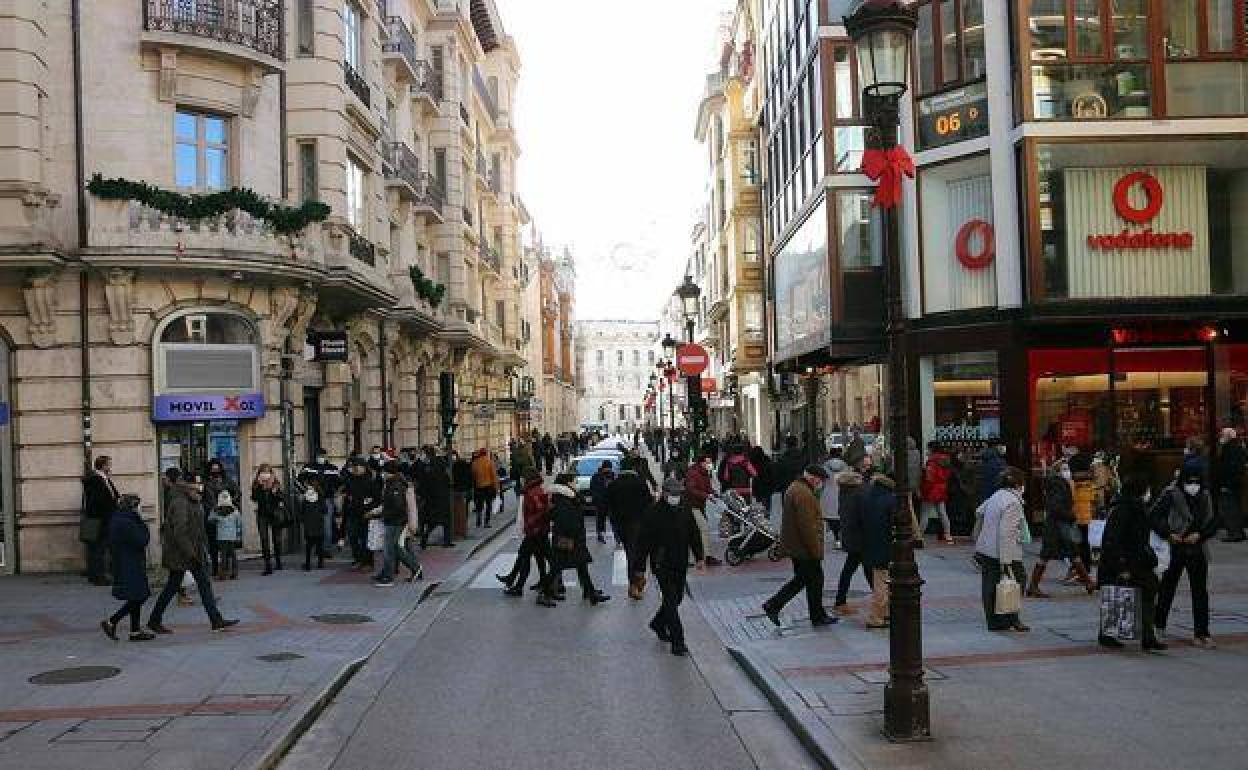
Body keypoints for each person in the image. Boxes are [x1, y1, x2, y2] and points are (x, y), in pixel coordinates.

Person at [147, 473, 238, 634]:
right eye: (196, 484)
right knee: (184, 586)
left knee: (194, 585)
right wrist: (192, 554)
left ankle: (155, 619)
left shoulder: (193, 500)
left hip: (193, 552)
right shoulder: (180, 502)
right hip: (183, 554)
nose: (199, 486)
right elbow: (180, 532)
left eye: (200, 483)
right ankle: (215, 620)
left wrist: (203, 549)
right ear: (187, 486)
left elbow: (198, 529)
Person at [636, 477, 705, 656]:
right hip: (662, 563)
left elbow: (693, 533)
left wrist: (699, 556)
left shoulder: (684, 508)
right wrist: (640, 567)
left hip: (680, 561)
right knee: (670, 600)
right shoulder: (653, 512)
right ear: (665, 494)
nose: (676, 496)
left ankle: (658, 623)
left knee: (678, 598)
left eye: (678, 494)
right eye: (673, 494)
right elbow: (643, 542)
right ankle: (678, 642)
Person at [1097, 474, 1166, 651]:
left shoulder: (1136, 507)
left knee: (1149, 589)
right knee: (1116, 595)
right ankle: (1108, 634)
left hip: (1137, 561)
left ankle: (1147, 635)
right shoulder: (1123, 510)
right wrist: (1121, 566)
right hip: (1123, 562)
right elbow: (1112, 541)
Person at [1153, 465, 1219, 648]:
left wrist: (1200, 534)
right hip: (1176, 547)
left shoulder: (1205, 495)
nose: (1193, 486)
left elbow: (1214, 520)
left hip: (1197, 548)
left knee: (1200, 592)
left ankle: (1202, 633)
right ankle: (1158, 624)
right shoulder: (1171, 494)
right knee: (1167, 588)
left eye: (1196, 482)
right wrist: (1168, 533)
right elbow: (1154, 517)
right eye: (1189, 482)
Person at [762, 466, 835, 628]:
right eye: (820, 480)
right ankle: (774, 604)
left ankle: (817, 614)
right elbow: (807, 526)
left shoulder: (796, 488)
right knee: (809, 580)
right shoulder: (804, 494)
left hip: (797, 547)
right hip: (804, 549)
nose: (821, 484)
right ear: (813, 478)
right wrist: (815, 551)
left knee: (807, 580)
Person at [973, 466, 1030, 632]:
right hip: (1005, 552)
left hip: (987, 549)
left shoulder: (996, 496)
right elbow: (1006, 533)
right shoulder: (1013, 502)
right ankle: (1011, 618)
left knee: (990, 584)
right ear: (1019, 484)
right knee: (1017, 581)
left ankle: (994, 621)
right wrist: (1006, 561)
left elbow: (979, 511)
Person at [1027, 461, 1095, 598]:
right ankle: (1033, 586)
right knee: (1058, 554)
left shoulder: (1057, 483)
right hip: (1059, 526)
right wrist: (1071, 516)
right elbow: (1057, 507)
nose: (1068, 471)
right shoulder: (1058, 484)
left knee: (1066, 554)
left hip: (1056, 525)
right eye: (1065, 469)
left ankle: (1088, 582)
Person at [546, 472, 610, 605]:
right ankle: (544, 592)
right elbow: (565, 520)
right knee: (557, 567)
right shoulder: (563, 499)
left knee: (580, 565)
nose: (576, 484)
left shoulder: (568, 497)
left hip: (573, 538)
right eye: (574, 481)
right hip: (568, 539)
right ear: (568, 483)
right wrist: (573, 533)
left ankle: (590, 593)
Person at [100, 494, 155, 642]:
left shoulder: (119, 519)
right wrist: (142, 523)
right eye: (138, 506)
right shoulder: (128, 522)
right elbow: (142, 540)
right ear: (133, 507)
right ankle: (112, 621)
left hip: (125, 561)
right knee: (140, 595)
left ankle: (135, 631)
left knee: (136, 595)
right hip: (130, 562)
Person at [497, 471, 551, 600]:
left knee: (525, 556)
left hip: (535, 531)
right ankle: (542, 582)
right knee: (538, 557)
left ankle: (519, 586)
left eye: (523, 478)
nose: (521, 481)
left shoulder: (532, 492)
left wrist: (530, 523)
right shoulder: (534, 490)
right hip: (538, 530)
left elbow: (540, 510)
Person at [606, 457, 653, 599]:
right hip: (639, 524)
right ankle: (636, 581)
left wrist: (613, 523)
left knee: (630, 554)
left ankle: (635, 582)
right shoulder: (640, 483)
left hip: (622, 525)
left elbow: (609, 507)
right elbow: (649, 504)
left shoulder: (613, 485)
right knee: (641, 552)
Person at [373, 461, 422, 586]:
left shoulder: (396, 485)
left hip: (395, 521)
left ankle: (389, 576)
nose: (382, 474)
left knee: (390, 548)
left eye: (384, 471)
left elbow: (397, 505)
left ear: (388, 472)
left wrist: (385, 513)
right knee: (395, 548)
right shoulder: (392, 483)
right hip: (394, 520)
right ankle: (391, 571)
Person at [859, 467, 895, 629]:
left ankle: (885, 613)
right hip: (885, 544)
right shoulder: (891, 499)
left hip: (870, 544)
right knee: (882, 583)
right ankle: (877, 617)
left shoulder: (867, 497)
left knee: (881, 580)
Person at [832, 462, 870, 613]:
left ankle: (840, 601)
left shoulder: (845, 493)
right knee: (866, 568)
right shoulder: (858, 494)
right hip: (859, 537)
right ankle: (881, 600)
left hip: (851, 537)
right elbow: (862, 516)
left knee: (852, 568)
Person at [82, 455, 120, 585]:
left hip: (104, 519)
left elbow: (114, 495)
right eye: (108, 464)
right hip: (99, 520)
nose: (110, 467)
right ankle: (98, 577)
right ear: (103, 466)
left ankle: (99, 575)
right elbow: (97, 501)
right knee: (98, 549)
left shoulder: (105, 479)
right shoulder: (95, 480)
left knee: (99, 549)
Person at [202, 459, 241, 577]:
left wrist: (229, 503)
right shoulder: (206, 482)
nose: (215, 472)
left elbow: (238, 492)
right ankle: (215, 567)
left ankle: (227, 568)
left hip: (226, 514)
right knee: (213, 543)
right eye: (213, 470)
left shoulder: (227, 481)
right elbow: (202, 496)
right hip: (212, 513)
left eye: (217, 469)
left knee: (227, 545)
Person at [341, 458, 380, 567]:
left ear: (364, 467)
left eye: (359, 466)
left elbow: (377, 499)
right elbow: (346, 496)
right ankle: (358, 558)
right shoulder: (349, 481)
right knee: (353, 537)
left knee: (365, 539)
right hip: (352, 513)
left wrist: (370, 508)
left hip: (366, 514)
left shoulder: (370, 481)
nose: (356, 468)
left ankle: (368, 561)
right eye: (355, 466)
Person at [684, 455, 720, 566]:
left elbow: (707, 487)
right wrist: (706, 496)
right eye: (707, 462)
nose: (710, 465)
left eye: (710, 462)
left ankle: (697, 556)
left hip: (699, 505)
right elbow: (691, 489)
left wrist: (714, 493)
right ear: (701, 463)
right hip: (691, 506)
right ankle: (706, 556)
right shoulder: (693, 473)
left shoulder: (705, 473)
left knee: (695, 532)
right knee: (703, 529)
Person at [250, 464, 286, 575]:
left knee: (277, 539)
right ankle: (268, 565)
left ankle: (278, 561)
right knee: (264, 539)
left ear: (271, 473)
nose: (265, 474)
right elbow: (254, 498)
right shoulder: (257, 484)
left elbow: (281, 497)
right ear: (260, 473)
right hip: (262, 515)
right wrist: (261, 487)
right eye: (263, 472)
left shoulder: (275, 483)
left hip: (274, 514)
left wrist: (273, 491)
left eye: (267, 472)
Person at [305, 449, 341, 556]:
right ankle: (317, 547)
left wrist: (336, 493)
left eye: (323, 455)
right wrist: (307, 490)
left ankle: (325, 549)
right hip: (312, 500)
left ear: (326, 456)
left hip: (327, 499)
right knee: (313, 525)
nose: (321, 457)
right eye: (319, 455)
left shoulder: (332, 468)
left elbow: (340, 483)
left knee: (327, 525)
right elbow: (300, 480)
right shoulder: (309, 467)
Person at [919, 442, 954, 544]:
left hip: (931, 490)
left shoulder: (931, 462)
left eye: (927, 448)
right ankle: (948, 535)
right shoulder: (946, 460)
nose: (926, 450)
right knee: (942, 513)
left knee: (925, 514)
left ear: (931, 449)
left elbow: (929, 478)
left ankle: (919, 535)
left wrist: (923, 490)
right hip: (941, 489)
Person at [1215, 427, 1246, 542]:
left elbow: (1228, 468)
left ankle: (1234, 533)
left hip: (1229, 484)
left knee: (1229, 509)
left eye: (1222, 435)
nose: (1220, 436)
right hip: (1236, 483)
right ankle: (1239, 532)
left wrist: (1224, 484)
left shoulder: (1229, 448)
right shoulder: (1238, 447)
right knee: (1236, 508)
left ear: (1228, 436)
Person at [420, 449, 454, 548]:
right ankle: (447, 542)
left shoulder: (427, 467)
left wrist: (425, 496)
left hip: (431, 499)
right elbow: (448, 480)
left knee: (432, 522)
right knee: (446, 521)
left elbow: (423, 483)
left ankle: (424, 539)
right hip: (442, 497)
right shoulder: (441, 464)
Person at [207, 491, 242, 580]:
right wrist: (238, 534)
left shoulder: (216, 511)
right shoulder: (235, 510)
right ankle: (234, 573)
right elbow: (239, 523)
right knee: (232, 555)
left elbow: (210, 519)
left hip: (221, 536)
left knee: (223, 555)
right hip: (232, 536)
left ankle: (223, 574)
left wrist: (214, 512)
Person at [300, 479, 328, 571]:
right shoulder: (321, 496)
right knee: (319, 544)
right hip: (318, 523)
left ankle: (308, 564)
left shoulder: (306, 497)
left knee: (309, 545)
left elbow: (302, 511)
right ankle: (320, 563)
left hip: (309, 524)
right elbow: (325, 510)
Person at [821, 448, 848, 543]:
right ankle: (841, 537)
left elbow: (822, 481)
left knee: (831, 518)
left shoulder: (825, 466)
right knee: (841, 517)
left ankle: (836, 537)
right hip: (841, 493)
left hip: (828, 493)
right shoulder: (845, 466)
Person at [470, 448, 499, 528]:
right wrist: (496, 488)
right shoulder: (489, 462)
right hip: (488, 486)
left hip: (478, 487)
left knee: (479, 504)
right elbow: (494, 476)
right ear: (486, 453)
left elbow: (473, 476)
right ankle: (486, 522)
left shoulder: (475, 463)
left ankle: (478, 519)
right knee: (488, 504)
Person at [589, 460, 615, 544]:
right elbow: (593, 489)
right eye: (607, 469)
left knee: (614, 519)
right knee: (600, 519)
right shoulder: (596, 476)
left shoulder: (612, 475)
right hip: (600, 502)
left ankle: (617, 536)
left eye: (609, 469)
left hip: (610, 501)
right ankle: (600, 534)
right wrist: (598, 498)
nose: (608, 471)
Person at [748, 446, 776, 519]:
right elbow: (772, 473)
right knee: (766, 506)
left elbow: (751, 474)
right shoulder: (767, 460)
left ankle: (761, 521)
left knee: (760, 506)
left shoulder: (753, 462)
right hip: (767, 487)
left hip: (758, 487)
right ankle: (766, 519)